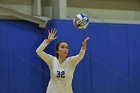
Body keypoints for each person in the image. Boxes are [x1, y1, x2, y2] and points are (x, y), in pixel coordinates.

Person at [36, 28, 90, 93]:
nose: (65, 49)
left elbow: (80, 56)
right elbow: (38, 51)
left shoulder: (71, 61)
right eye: (62, 47)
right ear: (57, 50)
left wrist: (83, 48)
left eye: (67, 48)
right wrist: (48, 41)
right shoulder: (52, 60)